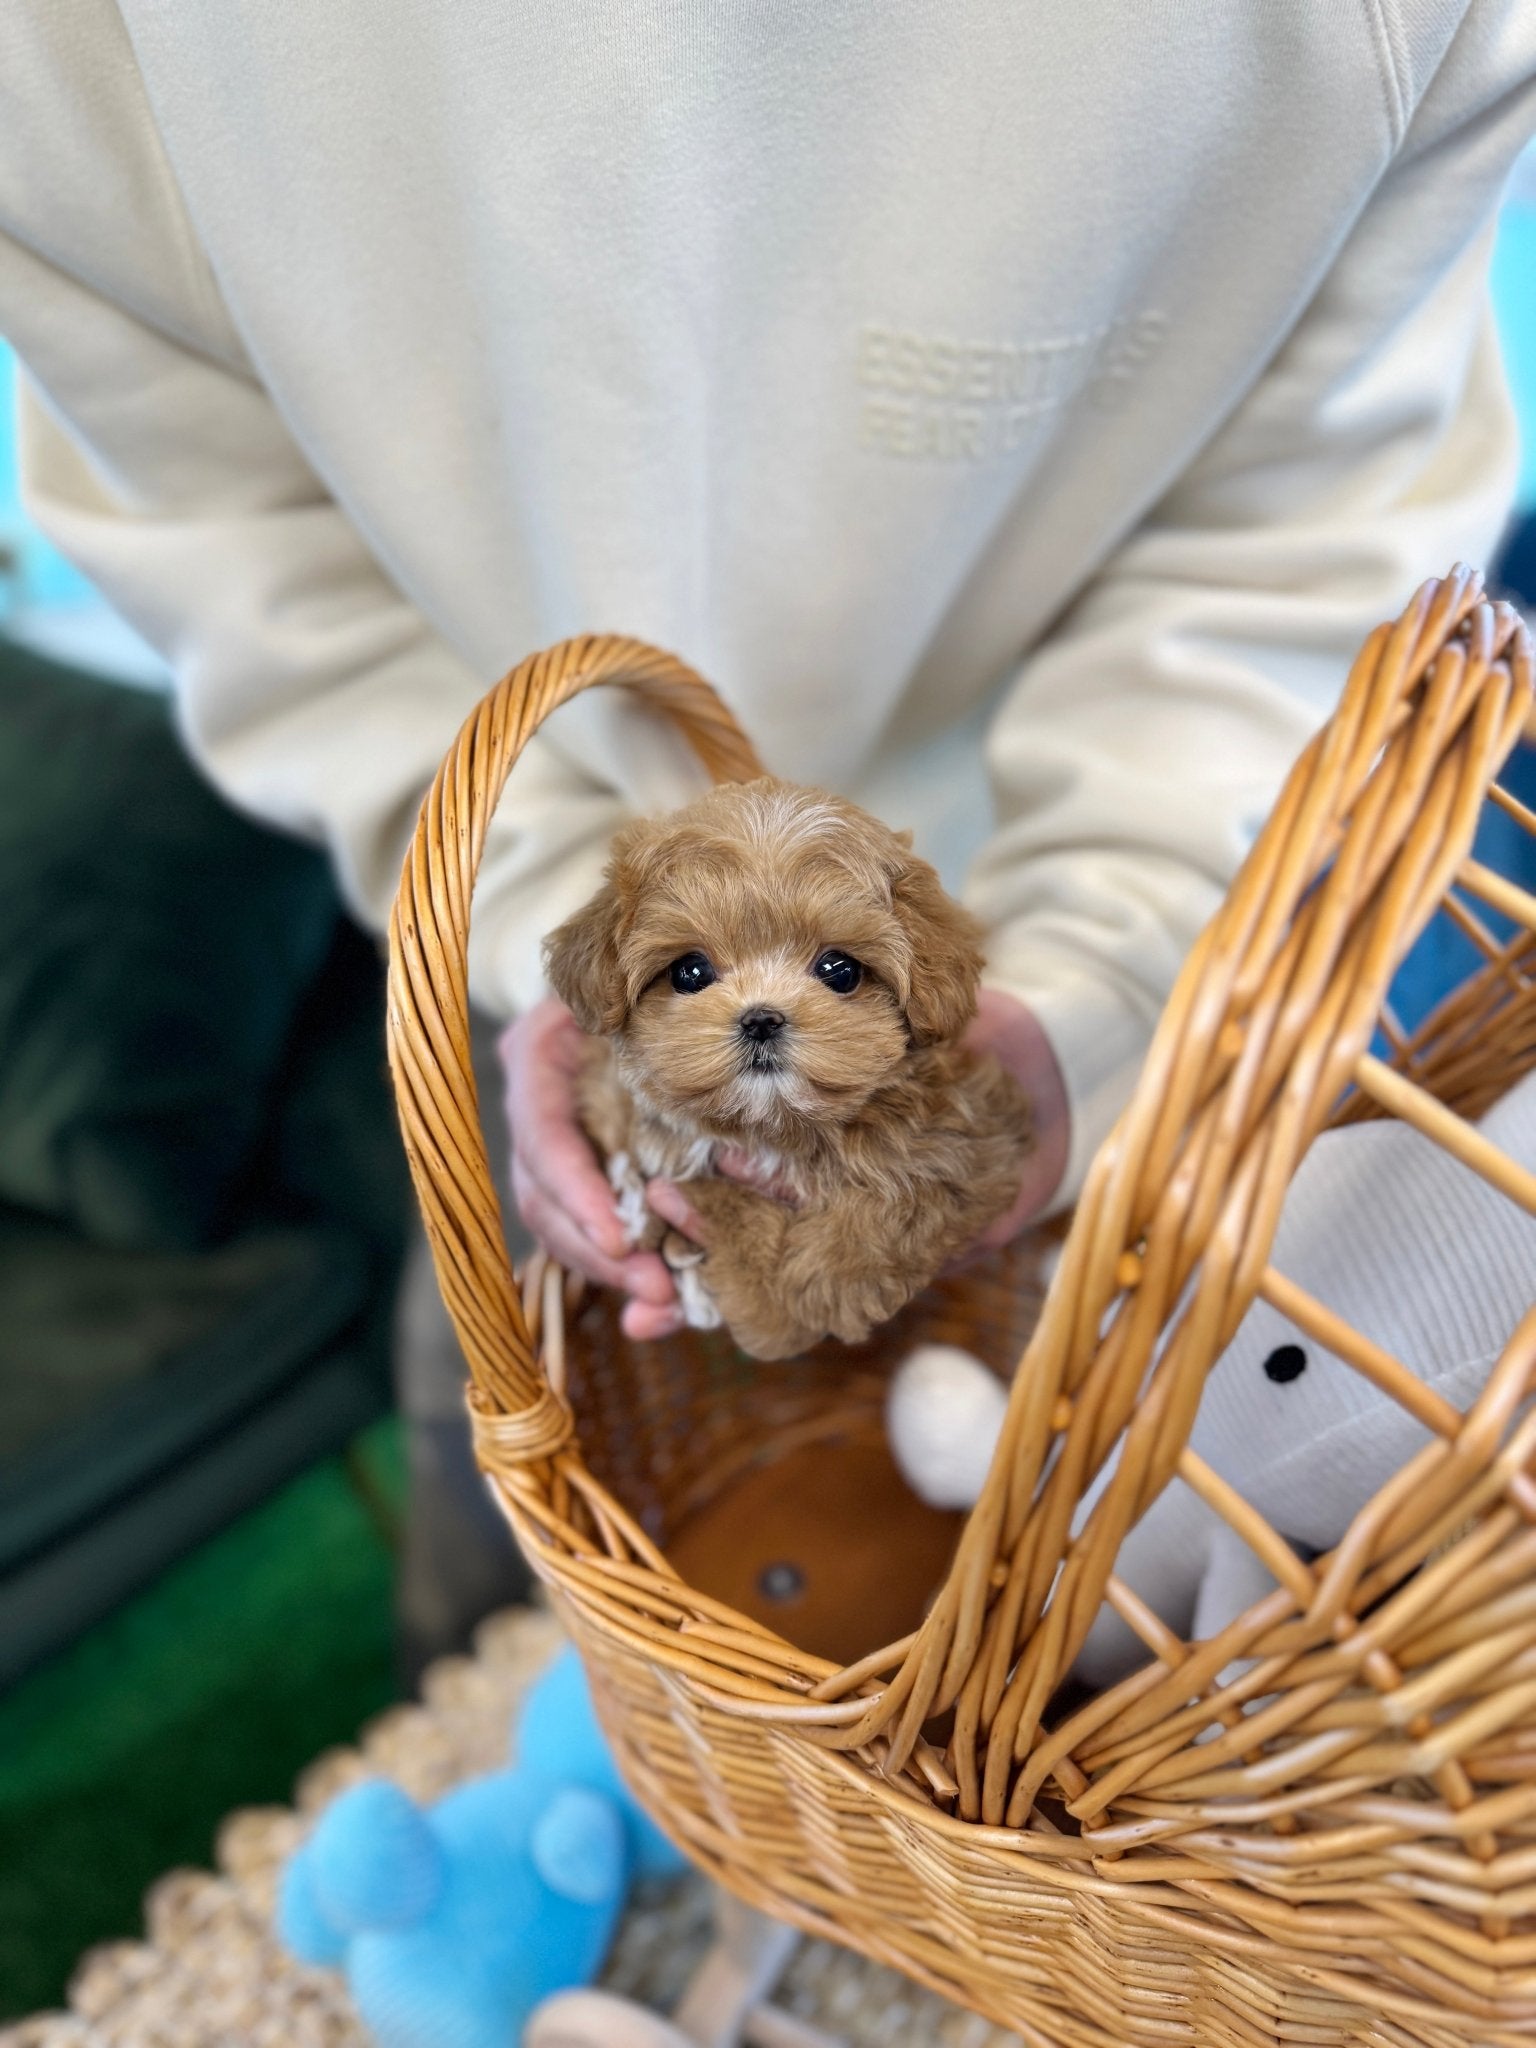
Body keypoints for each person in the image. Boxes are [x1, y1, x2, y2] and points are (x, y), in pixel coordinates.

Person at [2, 4, 1534, 1630]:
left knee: (1260, 1549)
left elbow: (1295, 538)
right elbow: (235, 534)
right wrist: (533, 918)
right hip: (538, 906)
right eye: (700, 981)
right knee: (525, 1561)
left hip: (1217, 916)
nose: (759, 1022)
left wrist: (1106, 975)